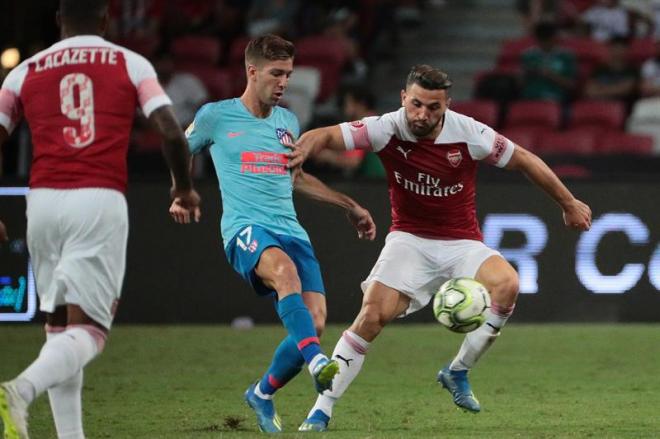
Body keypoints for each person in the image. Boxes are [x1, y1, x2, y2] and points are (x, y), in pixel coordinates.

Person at [287, 64, 592, 432]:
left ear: (446, 105)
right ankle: (321, 410)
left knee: (507, 284)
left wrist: (568, 203)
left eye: (433, 107)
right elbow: (327, 135)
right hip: (409, 240)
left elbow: (524, 159)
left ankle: (457, 371)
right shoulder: (386, 127)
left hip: (462, 242)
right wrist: (304, 147)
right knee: (371, 317)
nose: (422, 114)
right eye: (416, 104)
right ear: (404, 98)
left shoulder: (469, 133)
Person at [0, 1, 200, 438]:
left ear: (58, 21)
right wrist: (182, 187)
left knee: (60, 329)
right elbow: (169, 129)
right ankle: (19, 390)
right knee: (90, 330)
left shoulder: (26, 70)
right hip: (97, 200)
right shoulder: (129, 63)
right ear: (106, 20)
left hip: (44, 202)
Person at [168, 34, 376, 434]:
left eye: (289, 74)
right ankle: (318, 363)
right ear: (252, 71)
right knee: (285, 276)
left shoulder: (288, 122)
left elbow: (297, 179)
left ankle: (262, 393)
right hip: (245, 228)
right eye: (276, 74)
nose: (284, 82)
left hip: (291, 230)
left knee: (313, 324)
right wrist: (181, 192)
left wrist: (349, 205)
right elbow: (179, 147)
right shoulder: (216, 115)